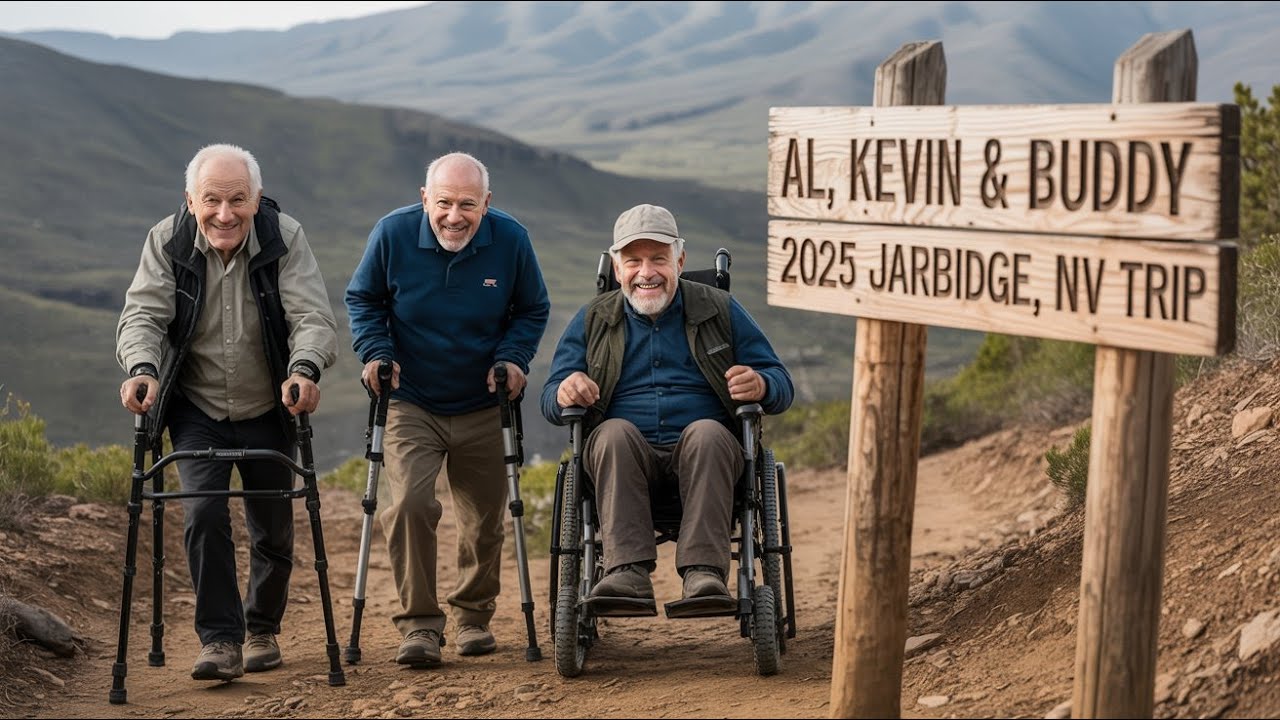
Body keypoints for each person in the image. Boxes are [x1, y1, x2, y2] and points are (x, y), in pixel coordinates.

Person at [116, 143, 339, 681]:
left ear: (256, 197)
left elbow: (312, 315)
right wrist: (142, 367)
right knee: (203, 514)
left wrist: (304, 368)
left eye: (238, 199)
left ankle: (261, 626)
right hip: (197, 406)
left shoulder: (283, 236)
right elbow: (142, 313)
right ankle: (220, 639)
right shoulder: (167, 241)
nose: (225, 213)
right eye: (211, 199)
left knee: (272, 530)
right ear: (190, 200)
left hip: (270, 402)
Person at [344, 151, 550, 668]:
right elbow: (362, 299)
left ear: (487, 204)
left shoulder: (511, 239)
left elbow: (531, 309)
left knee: (483, 519)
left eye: (467, 204)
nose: (454, 216)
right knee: (410, 505)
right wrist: (376, 352)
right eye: (443, 203)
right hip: (411, 397)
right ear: (424, 199)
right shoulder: (391, 235)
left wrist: (513, 358)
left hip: (485, 400)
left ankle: (473, 618)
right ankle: (419, 626)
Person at [540, 203, 794, 612]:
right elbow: (551, 399)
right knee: (612, 433)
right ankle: (626, 573)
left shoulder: (719, 309)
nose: (646, 272)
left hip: (706, 457)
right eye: (633, 261)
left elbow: (782, 385)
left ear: (679, 259)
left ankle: (704, 574)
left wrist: (761, 383)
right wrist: (565, 390)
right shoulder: (593, 318)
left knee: (708, 432)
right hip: (622, 461)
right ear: (618, 268)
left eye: (658, 259)